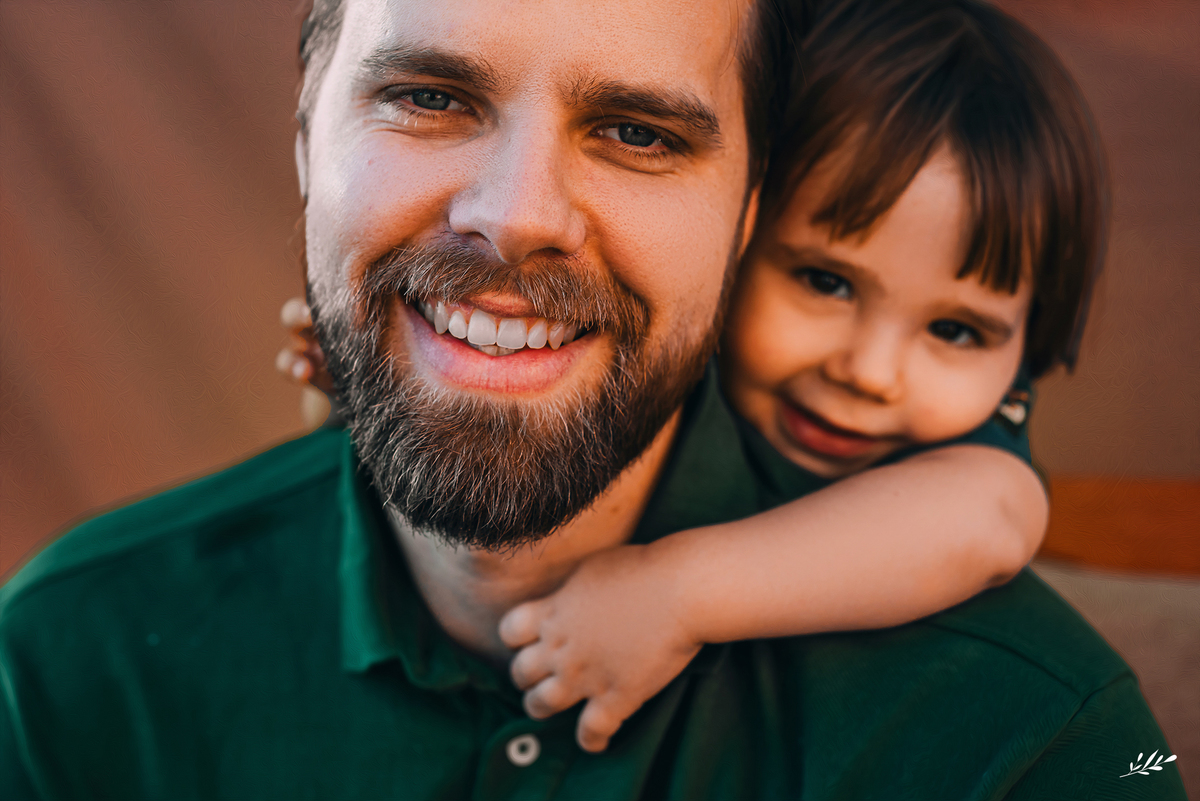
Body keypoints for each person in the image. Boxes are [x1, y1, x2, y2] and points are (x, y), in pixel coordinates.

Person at [0, 1, 1184, 800]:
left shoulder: (1032, 735)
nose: (515, 215)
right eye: (428, 95)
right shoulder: (69, 665)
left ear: (748, 207)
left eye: (635, 131)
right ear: (308, 128)